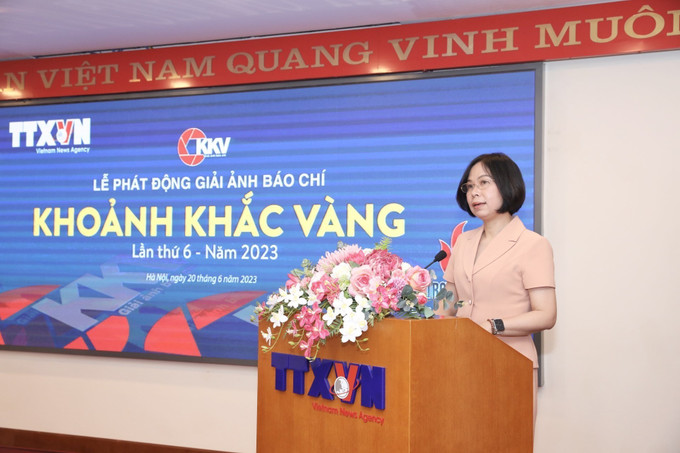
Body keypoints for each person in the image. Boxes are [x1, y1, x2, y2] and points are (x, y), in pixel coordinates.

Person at [437, 152, 557, 422]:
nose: (474, 192)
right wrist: (426, 313)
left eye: (484, 183)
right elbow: (446, 302)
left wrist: (493, 326)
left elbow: (546, 315)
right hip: (459, 361)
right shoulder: (463, 241)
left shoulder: (533, 245)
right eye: (469, 186)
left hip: (509, 362)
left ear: (507, 184)